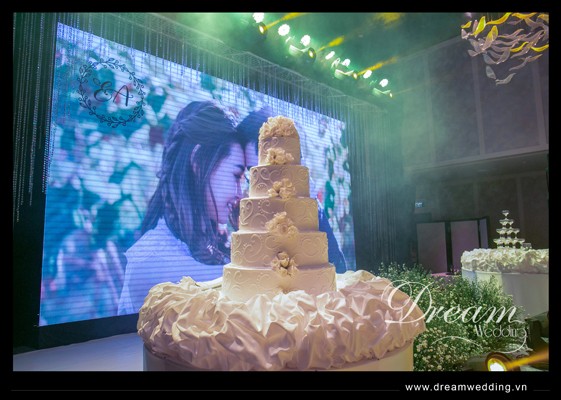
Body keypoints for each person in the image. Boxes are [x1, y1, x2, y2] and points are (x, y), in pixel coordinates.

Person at [118, 101, 245, 314]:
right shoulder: (151, 260)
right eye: (236, 175)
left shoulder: (214, 245)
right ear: (197, 161)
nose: (240, 193)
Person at [236, 108, 348, 273]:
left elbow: (337, 268)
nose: (256, 180)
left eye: (262, 170)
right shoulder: (253, 215)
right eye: (251, 172)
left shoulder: (309, 210)